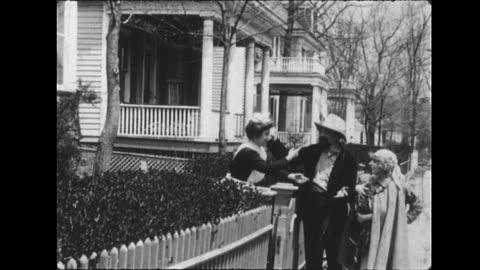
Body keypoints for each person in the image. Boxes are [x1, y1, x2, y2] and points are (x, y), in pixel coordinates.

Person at [282, 114, 359, 270]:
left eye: (327, 132)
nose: (322, 135)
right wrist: (270, 141)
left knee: (333, 250)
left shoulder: (348, 159)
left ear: (337, 137)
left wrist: (345, 192)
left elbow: (351, 187)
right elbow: (288, 158)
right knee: (313, 249)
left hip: (335, 208)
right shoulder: (312, 151)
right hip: (312, 204)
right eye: (322, 131)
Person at [338, 149, 423, 270]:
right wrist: (354, 189)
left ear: (384, 165)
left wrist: (401, 221)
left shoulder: (400, 188)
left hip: (386, 240)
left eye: (375, 161)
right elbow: (355, 204)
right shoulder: (369, 184)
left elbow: (418, 206)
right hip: (366, 240)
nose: (370, 164)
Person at [228, 113, 308, 186]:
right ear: (256, 135)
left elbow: (270, 170)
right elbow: (267, 168)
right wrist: (288, 158)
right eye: (266, 134)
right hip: (235, 190)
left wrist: (290, 176)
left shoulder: (258, 148)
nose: (269, 137)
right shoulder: (247, 151)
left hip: (244, 188)